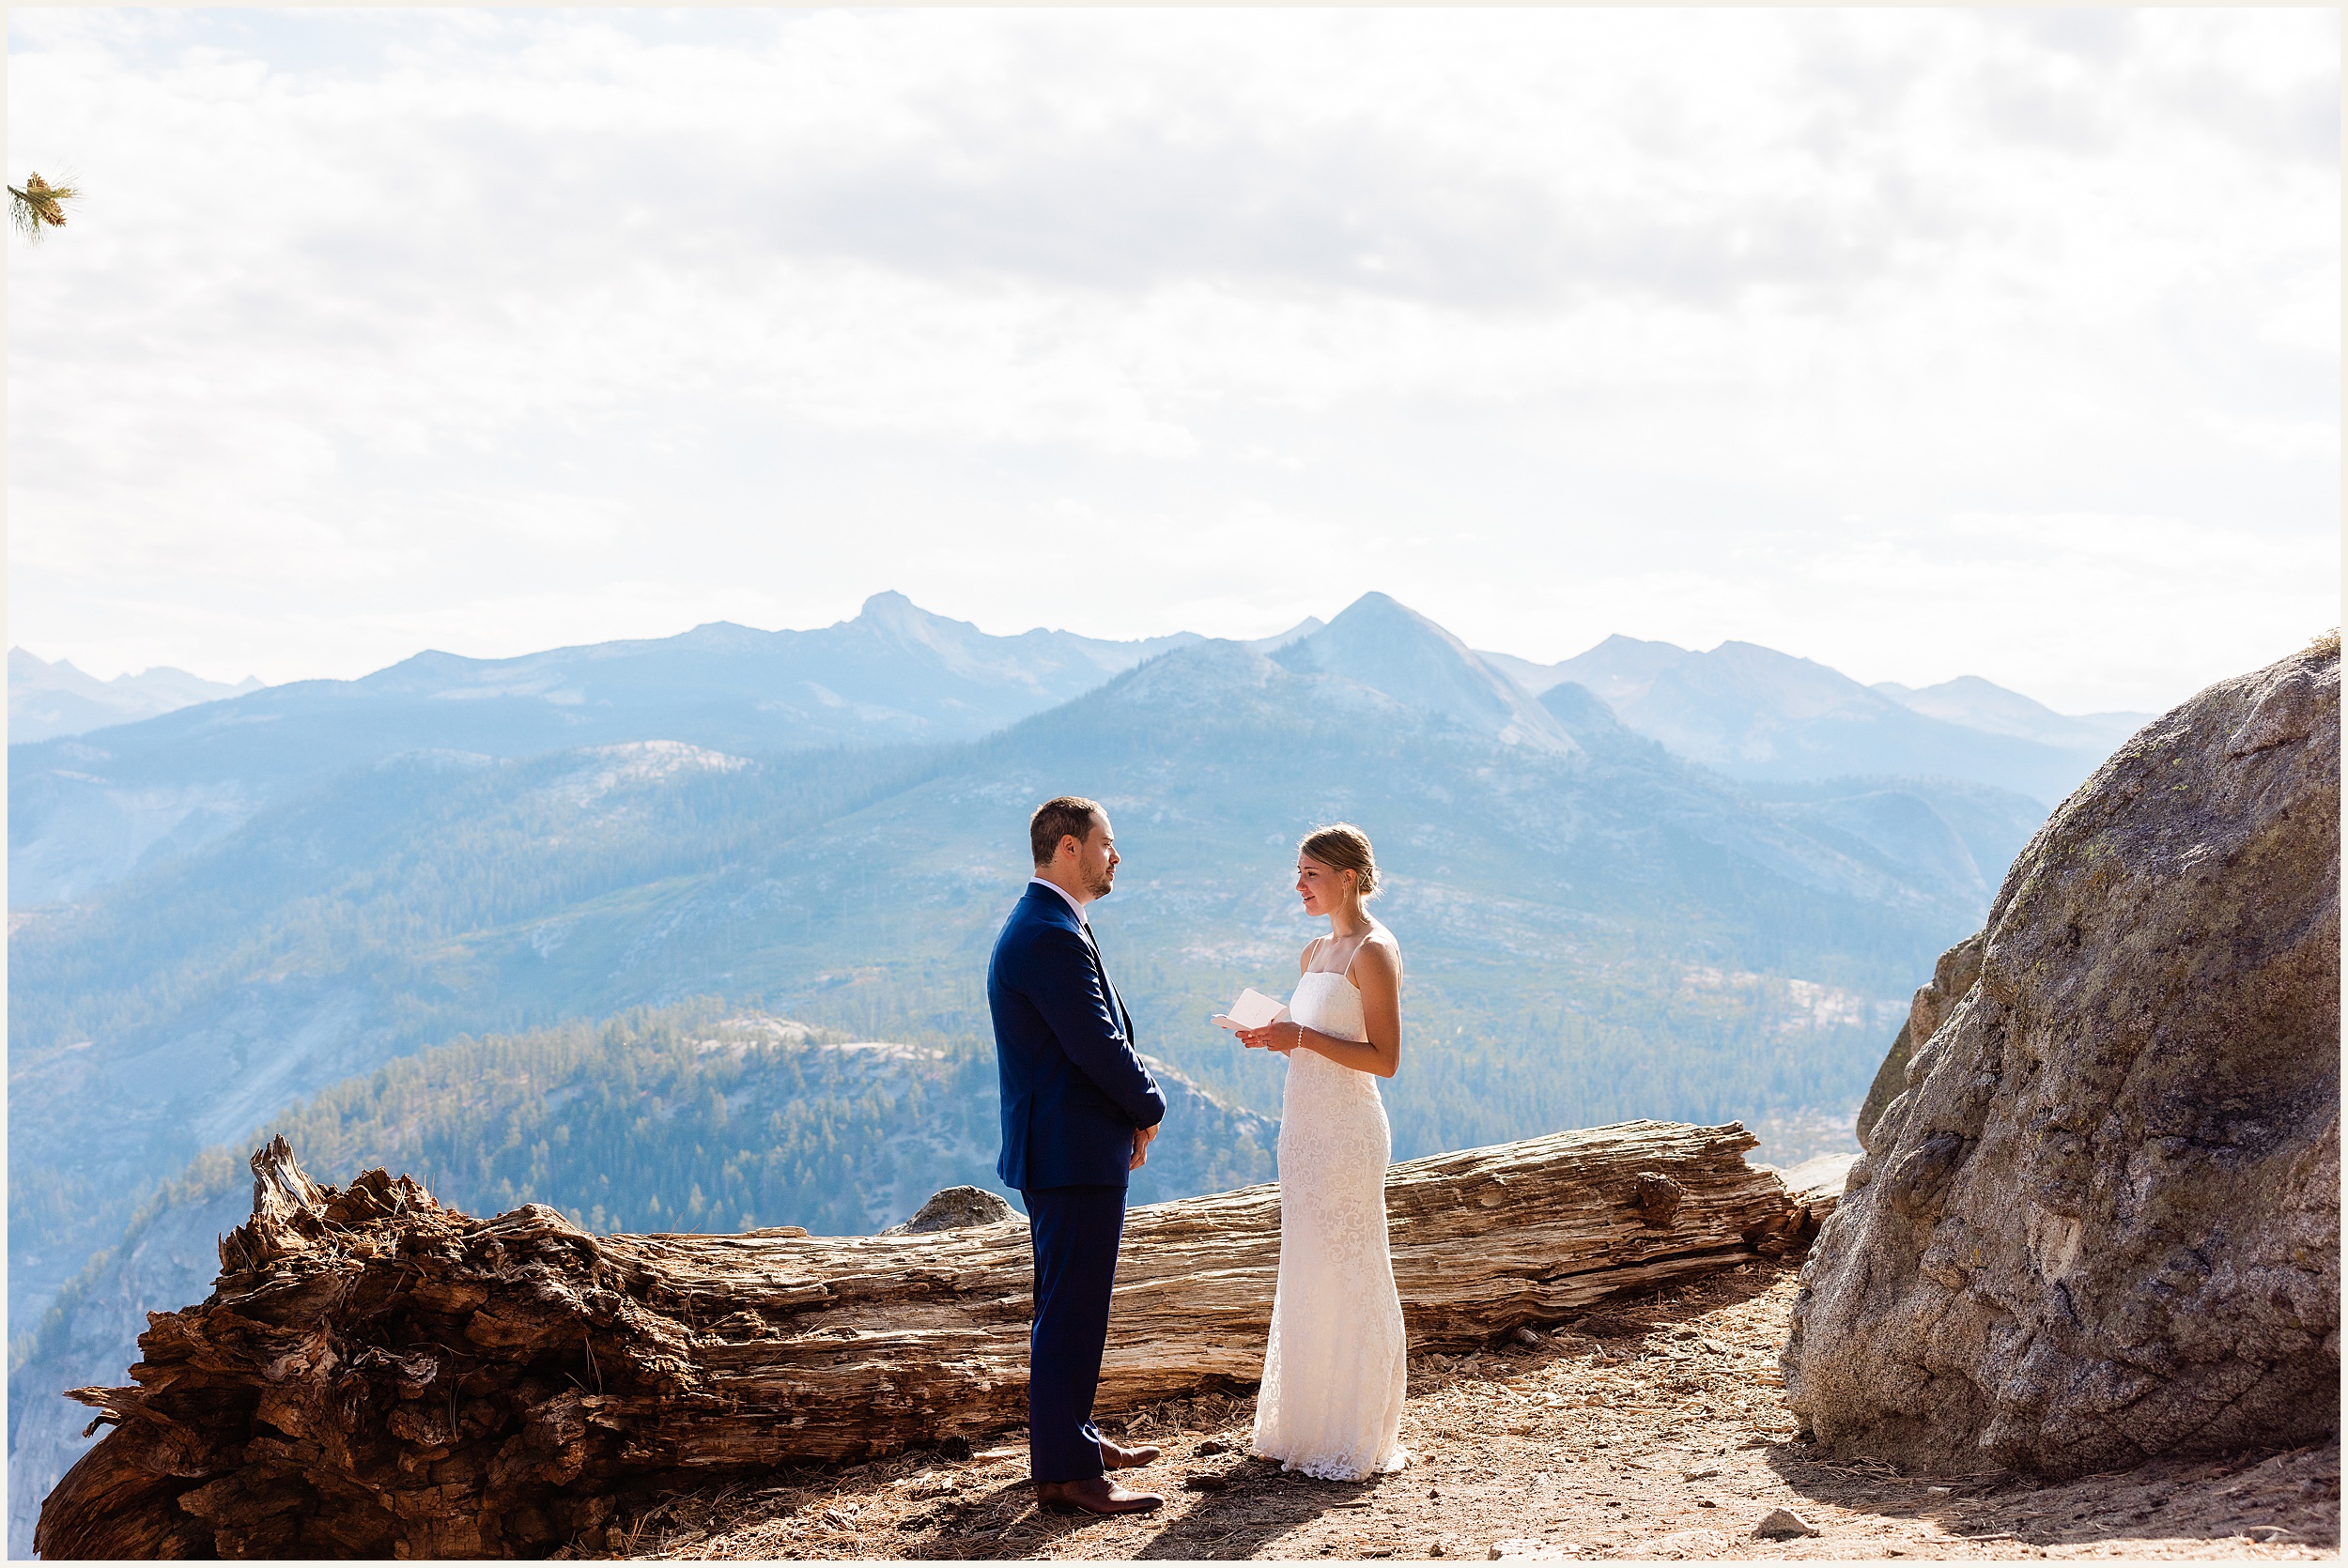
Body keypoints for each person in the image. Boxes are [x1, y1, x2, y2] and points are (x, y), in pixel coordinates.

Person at [988, 795, 1170, 1515]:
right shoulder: (1048, 934)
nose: (1115, 856)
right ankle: (1069, 1476)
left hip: (1067, 1148)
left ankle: (1076, 1441)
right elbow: (1095, 1043)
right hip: (1069, 1153)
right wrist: (1149, 1107)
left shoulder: (1049, 923)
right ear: (1069, 848)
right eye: (1106, 843)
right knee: (1070, 1312)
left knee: (1069, 1308)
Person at [1232, 822, 1410, 1481]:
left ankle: (1355, 1431)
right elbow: (1308, 1036)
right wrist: (1275, 1036)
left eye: (1311, 873)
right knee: (1308, 1267)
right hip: (1302, 1128)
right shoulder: (1314, 951)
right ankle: (1306, 1425)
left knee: (1352, 1265)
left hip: (1348, 1131)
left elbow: (1384, 1059)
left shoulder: (1374, 950)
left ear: (1349, 879)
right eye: (1298, 872)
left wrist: (1299, 1036)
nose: (1299, 884)